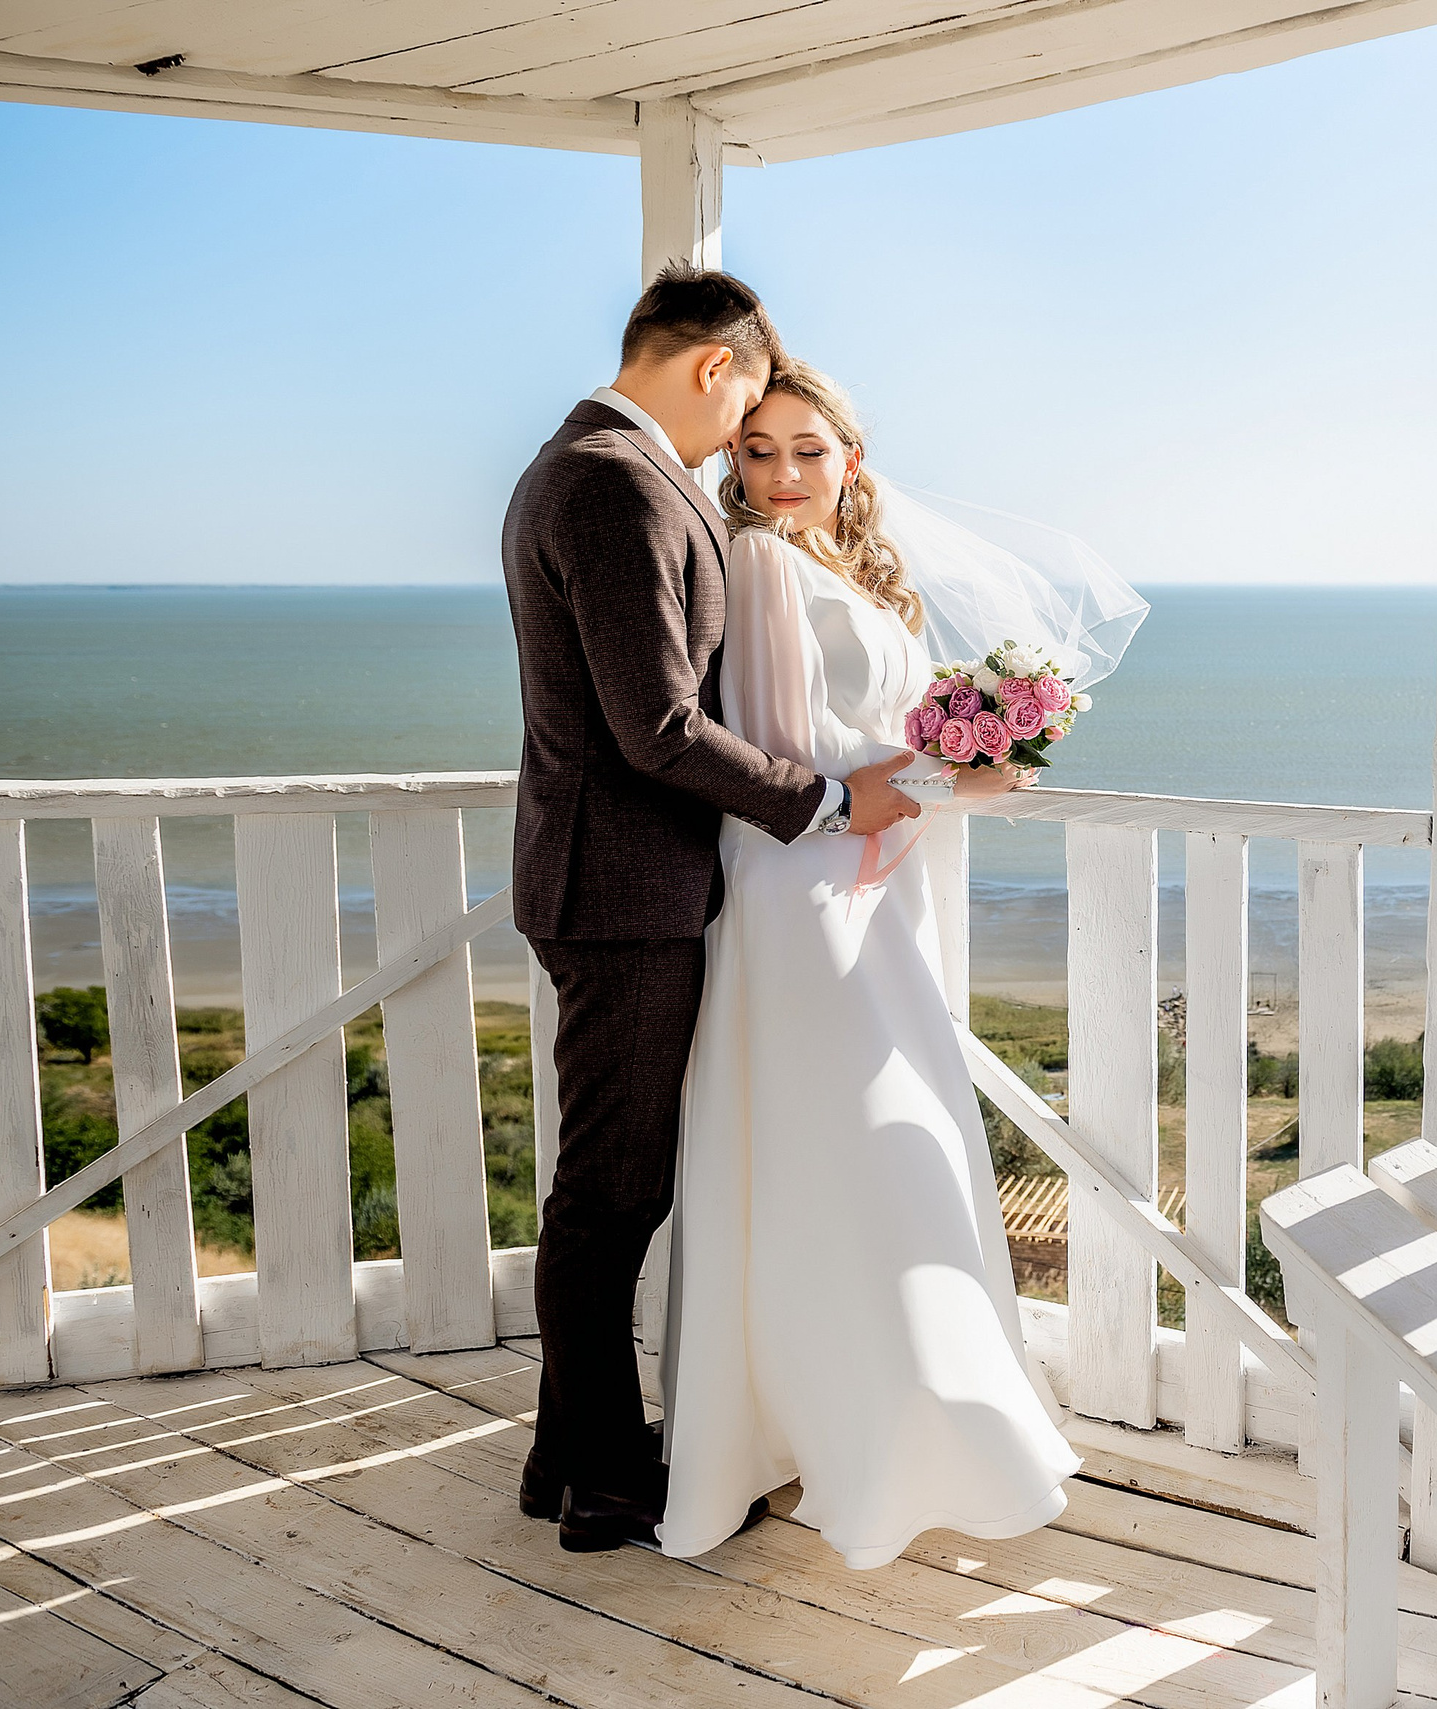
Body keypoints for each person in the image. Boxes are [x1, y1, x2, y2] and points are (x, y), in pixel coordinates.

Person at [501, 268, 921, 1553]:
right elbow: (659, 727)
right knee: (610, 1195)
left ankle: (563, 1453)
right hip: (621, 891)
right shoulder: (615, 480)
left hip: (613, 881)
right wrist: (828, 801)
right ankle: (606, 1482)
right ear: (713, 368)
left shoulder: (584, 465)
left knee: (615, 1188)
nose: (743, 441)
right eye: (746, 410)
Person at [656, 362, 1085, 1565]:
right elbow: (792, 751)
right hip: (801, 895)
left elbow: (873, 746)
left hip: (867, 890)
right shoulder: (757, 562)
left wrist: (972, 749)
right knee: (846, 1148)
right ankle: (876, 1436)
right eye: (756, 451)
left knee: (878, 1143)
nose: (782, 474)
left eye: (807, 449)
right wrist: (950, 773)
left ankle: (875, 1421)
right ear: (732, 463)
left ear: (850, 458)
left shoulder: (844, 568)